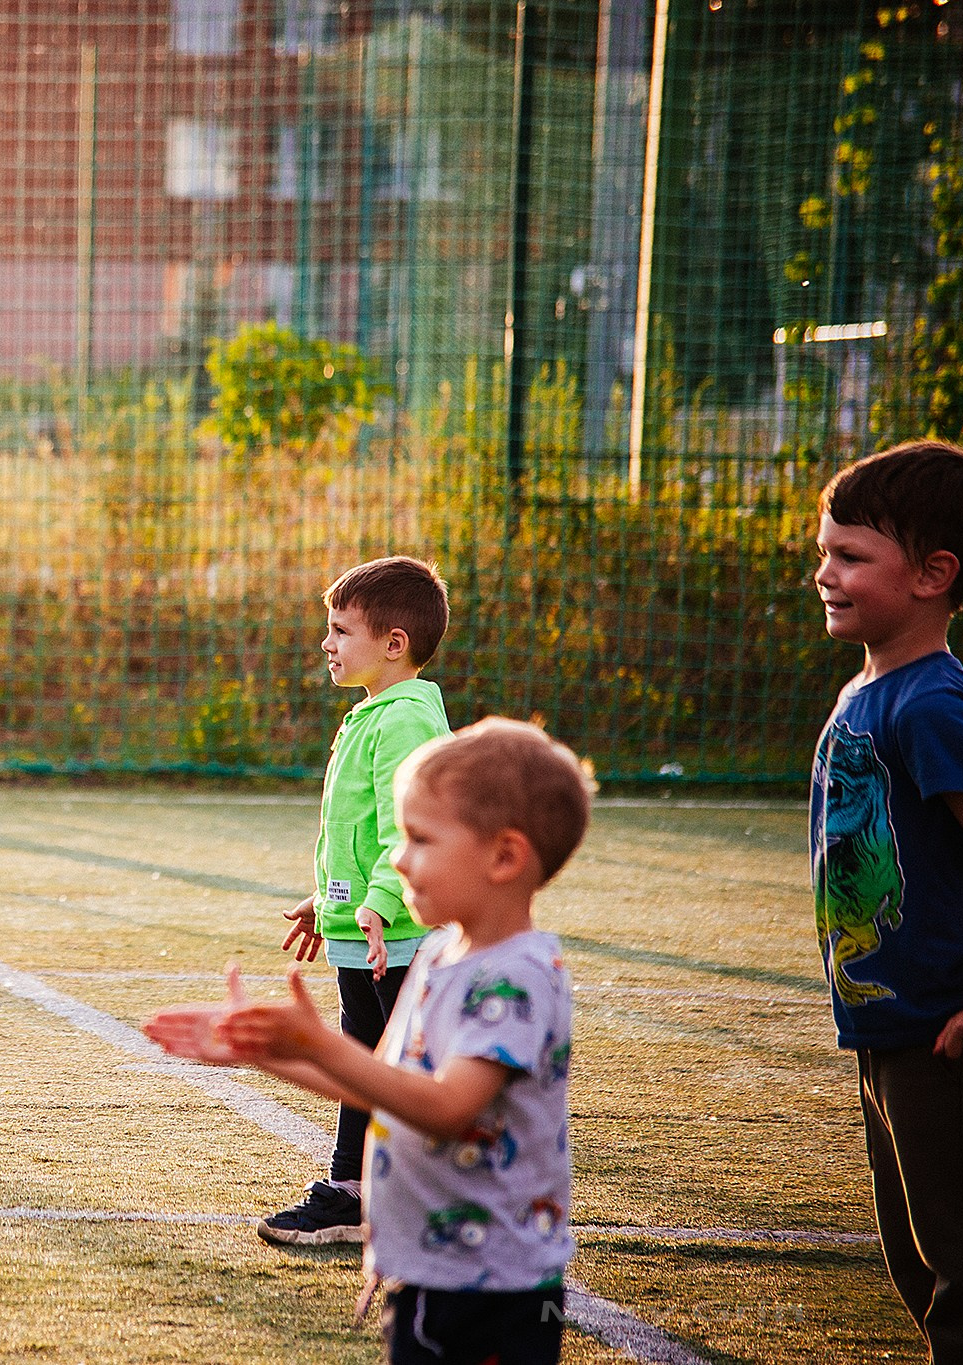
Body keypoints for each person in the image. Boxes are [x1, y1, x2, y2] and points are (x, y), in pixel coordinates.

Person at [146, 717, 589, 1365]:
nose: (400, 858)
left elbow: (446, 1106)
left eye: (419, 838)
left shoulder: (516, 978)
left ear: (504, 856)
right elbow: (384, 1084)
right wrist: (269, 1052)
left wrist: (320, 1042)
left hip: (494, 1293)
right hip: (431, 1277)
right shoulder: (442, 953)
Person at [809, 438, 963, 1362]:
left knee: (961, 1267)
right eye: (825, 550)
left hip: (945, 1036)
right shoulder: (866, 690)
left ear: (933, 574)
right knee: (918, 1262)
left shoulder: (932, 706)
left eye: (850, 556)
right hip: (884, 1026)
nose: (824, 572)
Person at [269, 556, 451, 1245]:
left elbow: (408, 823)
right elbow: (355, 829)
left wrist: (378, 899)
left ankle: (416, 1197)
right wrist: (329, 899)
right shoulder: (376, 712)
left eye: (341, 630)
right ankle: (353, 1190)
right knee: (365, 1052)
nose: (328, 643)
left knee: (400, 1067)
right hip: (363, 925)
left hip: (396, 933)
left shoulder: (405, 719)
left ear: (394, 643)